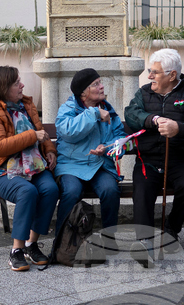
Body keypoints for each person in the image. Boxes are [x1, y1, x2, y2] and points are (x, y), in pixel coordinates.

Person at [124, 48, 184, 255]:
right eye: (149, 70)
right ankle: (144, 241)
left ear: (172, 75)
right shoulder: (144, 93)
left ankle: (171, 227)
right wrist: (152, 120)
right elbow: (131, 114)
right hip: (149, 161)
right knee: (143, 190)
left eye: (155, 72)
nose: (149, 76)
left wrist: (179, 128)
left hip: (180, 161)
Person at [0, 65, 59, 272]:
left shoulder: (25, 105)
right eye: (17, 83)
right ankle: (16, 250)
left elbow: (42, 133)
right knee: (27, 191)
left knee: (50, 189)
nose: (22, 85)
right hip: (2, 171)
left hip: (32, 166)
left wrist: (50, 151)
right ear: (4, 87)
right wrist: (32, 136)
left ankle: (32, 244)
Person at [55, 68, 126, 240]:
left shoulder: (109, 111)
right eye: (96, 84)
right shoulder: (67, 109)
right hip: (71, 166)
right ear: (83, 93)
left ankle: (109, 240)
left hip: (100, 164)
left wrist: (107, 149)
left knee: (110, 190)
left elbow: (120, 141)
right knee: (71, 191)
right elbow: (69, 132)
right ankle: (61, 241)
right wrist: (94, 113)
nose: (102, 87)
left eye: (100, 82)